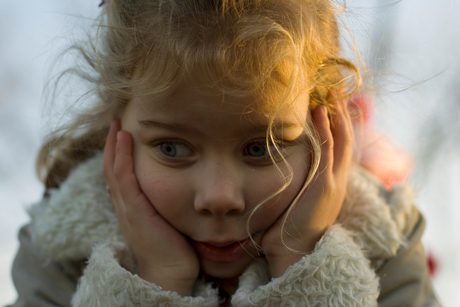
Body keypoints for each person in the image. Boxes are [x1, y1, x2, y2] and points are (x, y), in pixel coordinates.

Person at [7, 0, 440, 306]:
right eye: (173, 148)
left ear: (326, 126)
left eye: (262, 146)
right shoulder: (57, 258)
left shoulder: (387, 249)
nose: (219, 197)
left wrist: (302, 265)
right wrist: (155, 283)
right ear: (115, 126)